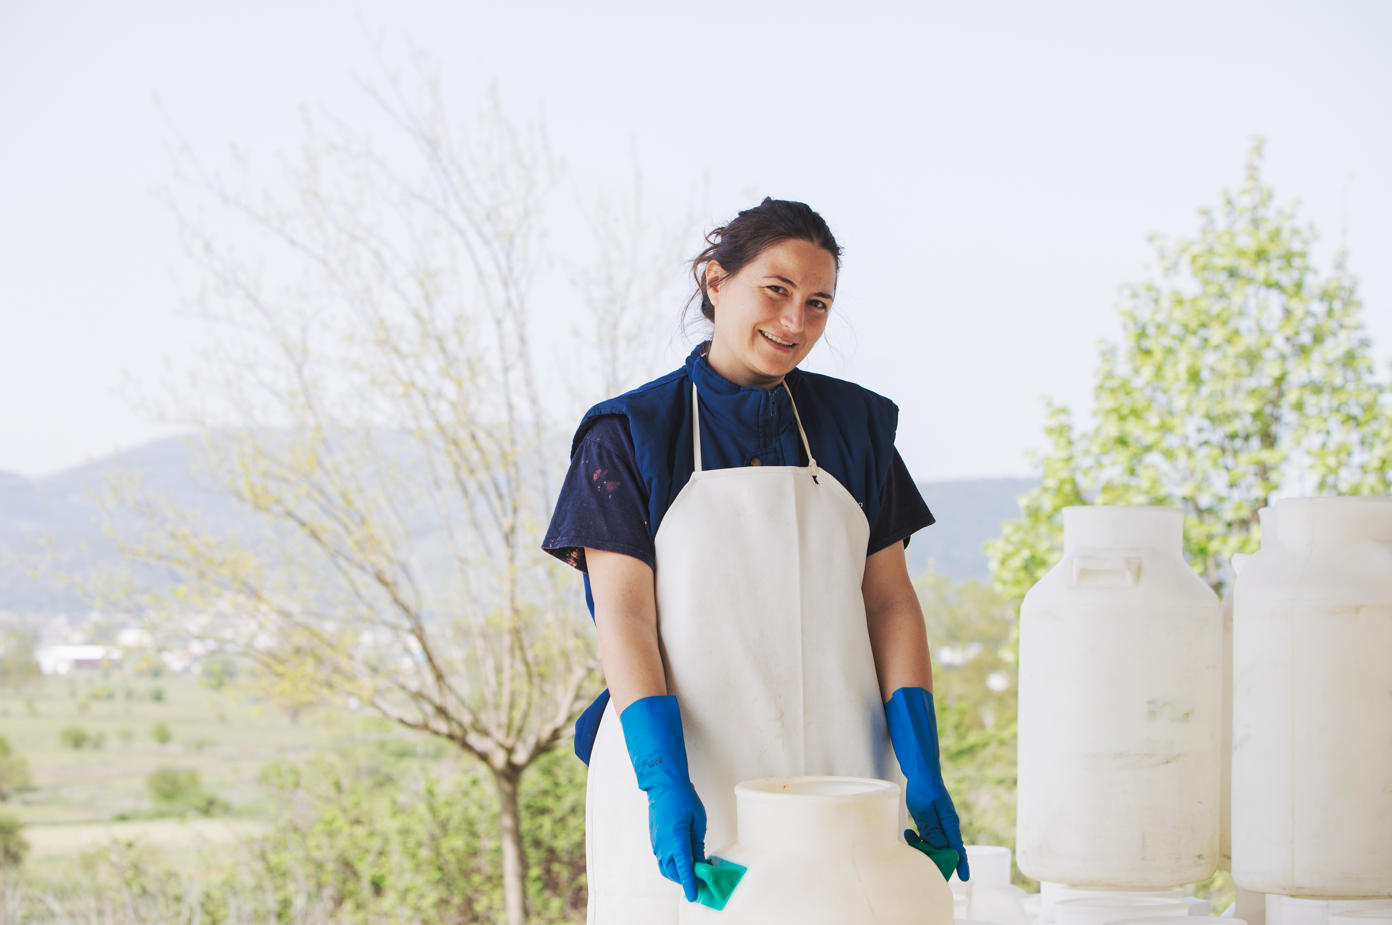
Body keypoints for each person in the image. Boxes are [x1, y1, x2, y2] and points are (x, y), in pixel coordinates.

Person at [543, 198, 967, 924]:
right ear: (716, 281)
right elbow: (625, 617)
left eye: (818, 303)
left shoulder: (857, 428)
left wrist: (921, 762)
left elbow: (890, 601)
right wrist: (664, 782)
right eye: (776, 290)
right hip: (687, 766)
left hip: (838, 777)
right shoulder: (630, 433)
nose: (795, 321)